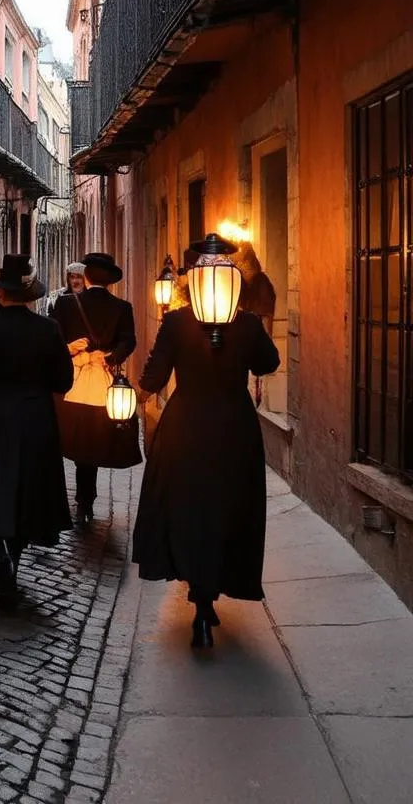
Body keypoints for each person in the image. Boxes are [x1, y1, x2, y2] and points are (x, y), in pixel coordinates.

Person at [132, 249, 280, 650]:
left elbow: (155, 374)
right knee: (227, 507)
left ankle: (200, 596)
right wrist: (252, 326)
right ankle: (207, 596)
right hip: (233, 428)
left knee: (189, 507)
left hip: (186, 427)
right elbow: (269, 363)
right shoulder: (246, 324)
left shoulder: (177, 321)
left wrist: (135, 397)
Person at [0, 254, 74, 610]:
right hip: (37, 420)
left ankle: (3, 561)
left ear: (1, 293)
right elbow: (63, 380)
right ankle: (14, 564)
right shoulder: (49, 328)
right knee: (28, 492)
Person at [51, 252, 139, 527]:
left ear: (86, 276)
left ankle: (81, 501)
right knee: (96, 439)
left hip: (72, 383)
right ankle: (86, 498)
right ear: (111, 282)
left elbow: (53, 342)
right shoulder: (122, 308)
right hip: (104, 381)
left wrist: (72, 350)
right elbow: (129, 341)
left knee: (76, 442)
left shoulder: (64, 304)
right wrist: (111, 358)